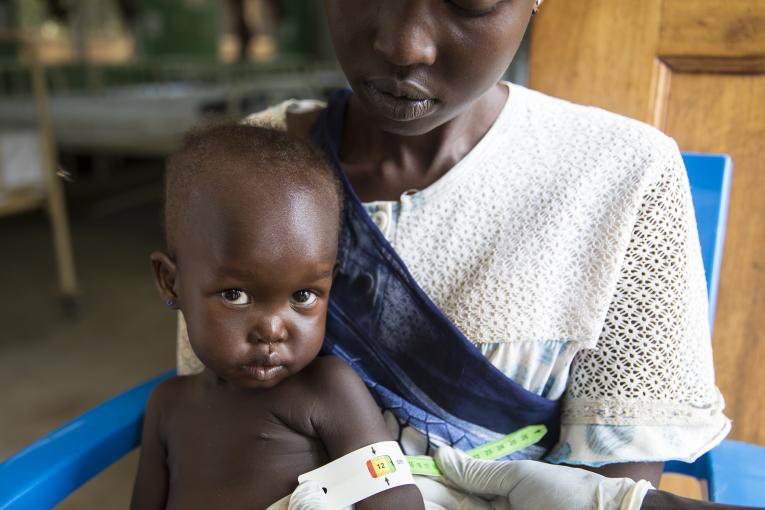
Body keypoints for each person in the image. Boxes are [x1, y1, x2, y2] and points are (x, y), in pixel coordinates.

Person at [176, 1, 740, 509]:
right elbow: (212, 413)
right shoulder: (242, 165)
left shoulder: (622, 176)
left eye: (469, 1)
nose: (404, 46)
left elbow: (613, 487)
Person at [131, 124, 425, 510]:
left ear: (330, 284)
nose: (272, 329)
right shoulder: (167, 406)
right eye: (235, 295)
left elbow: (396, 501)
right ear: (172, 283)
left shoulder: (328, 391)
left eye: (304, 295)